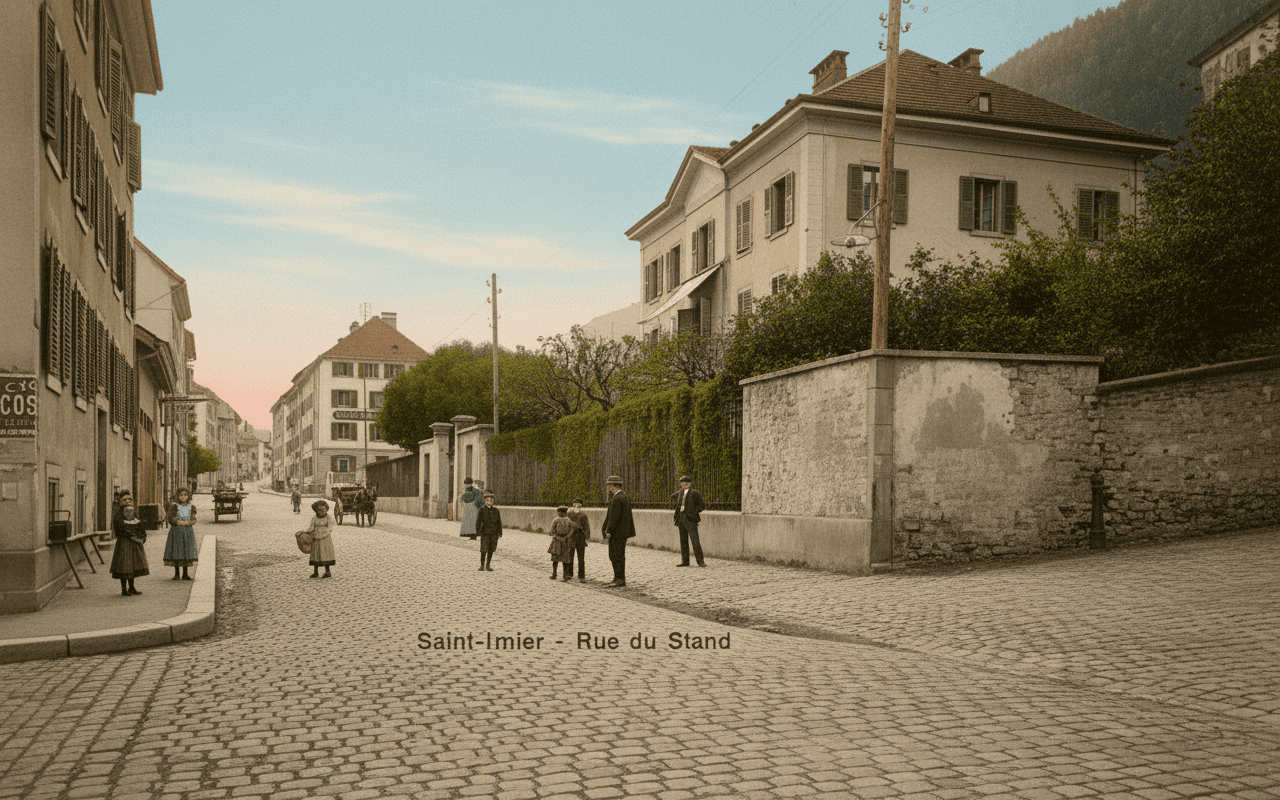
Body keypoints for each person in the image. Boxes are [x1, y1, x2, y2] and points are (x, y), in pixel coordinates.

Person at [601, 476, 635, 588]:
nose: (609, 488)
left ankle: (619, 579)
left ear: (614, 486)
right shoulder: (623, 496)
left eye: (610, 486)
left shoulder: (617, 498)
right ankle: (618, 578)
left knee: (616, 555)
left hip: (617, 533)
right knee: (618, 555)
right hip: (622, 532)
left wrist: (609, 530)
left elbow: (614, 517)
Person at [110, 502, 149, 596]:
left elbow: (141, 530)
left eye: (131, 511)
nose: (129, 513)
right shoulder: (119, 520)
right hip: (124, 544)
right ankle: (123, 589)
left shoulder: (136, 520)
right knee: (124, 566)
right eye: (127, 511)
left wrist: (141, 538)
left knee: (133, 565)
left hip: (135, 545)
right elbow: (119, 530)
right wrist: (131, 534)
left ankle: (132, 587)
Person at [164, 487, 199, 580]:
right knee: (177, 550)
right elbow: (170, 518)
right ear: (178, 496)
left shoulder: (191, 507)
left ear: (188, 496)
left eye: (185, 495)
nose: (183, 497)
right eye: (181, 495)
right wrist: (178, 522)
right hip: (177, 531)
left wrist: (189, 522)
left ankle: (185, 573)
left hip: (187, 531)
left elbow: (194, 518)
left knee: (186, 551)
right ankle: (176, 574)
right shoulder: (174, 506)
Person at [673, 475, 707, 567]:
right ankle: (685, 561)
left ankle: (700, 561)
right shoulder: (680, 492)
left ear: (689, 484)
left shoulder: (695, 493)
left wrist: (694, 512)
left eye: (685, 484)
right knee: (683, 541)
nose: (683, 486)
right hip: (681, 518)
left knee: (695, 540)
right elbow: (673, 498)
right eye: (682, 485)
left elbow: (702, 505)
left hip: (690, 519)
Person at [475, 490, 503, 571]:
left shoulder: (496, 511)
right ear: (484, 501)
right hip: (485, 532)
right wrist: (477, 532)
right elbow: (478, 521)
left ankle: (488, 565)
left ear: (493, 501)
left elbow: (499, 522)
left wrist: (500, 532)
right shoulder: (482, 510)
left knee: (491, 549)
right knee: (483, 549)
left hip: (494, 533)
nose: (489, 502)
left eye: (491, 500)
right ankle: (482, 565)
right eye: (487, 500)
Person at [308, 500, 335, 578]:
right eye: (319, 510)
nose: (322, 512)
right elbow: (311, 526)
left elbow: (330, 527)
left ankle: (328, 571)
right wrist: (309, 531)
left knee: (325, 554)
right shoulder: (314, 518)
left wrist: (322, 532)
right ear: (316, 510)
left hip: (325, 539)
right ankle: (315, 572)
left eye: (323, 510)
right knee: (316, 554)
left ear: (326, 509)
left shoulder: (328, 517)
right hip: (316, 538)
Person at [566, 498, 590, 582]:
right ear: (573, 505)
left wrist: (587, 537)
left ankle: (581, 576)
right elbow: (565, 526)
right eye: (575, 504)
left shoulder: (583, 515)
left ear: (581, 506)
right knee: (570, 556)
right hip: (571, 537)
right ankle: (569, 574)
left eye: (579, 504)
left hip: (580, 537)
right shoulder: (568, 514)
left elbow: (587, 527)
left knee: (581, 558)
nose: (577, 505)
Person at [548, 505, 573, 580]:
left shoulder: (568, 520)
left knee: (564, 559)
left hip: (564, 540)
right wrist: (557, 536)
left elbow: (571, 529)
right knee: (555, 559)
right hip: (558, 540)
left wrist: (566, 537)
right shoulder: (556, 520)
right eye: (560, 512)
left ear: (565, 513)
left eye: (563, 512)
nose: (561, 514)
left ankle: (565, 575)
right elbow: (552, 531)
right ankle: (554, 573)